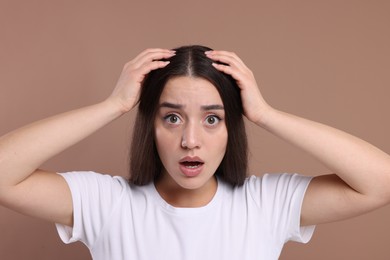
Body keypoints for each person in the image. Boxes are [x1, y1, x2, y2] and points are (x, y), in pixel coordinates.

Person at [0, 45, 389, 259]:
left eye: (212, 119)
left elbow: (381, 182)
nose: (190, 140)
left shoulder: (266, 204)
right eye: (171, 118)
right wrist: (113, 105)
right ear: (149, 126)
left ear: (231, 128)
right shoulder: (108, 203)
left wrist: (266, 114)